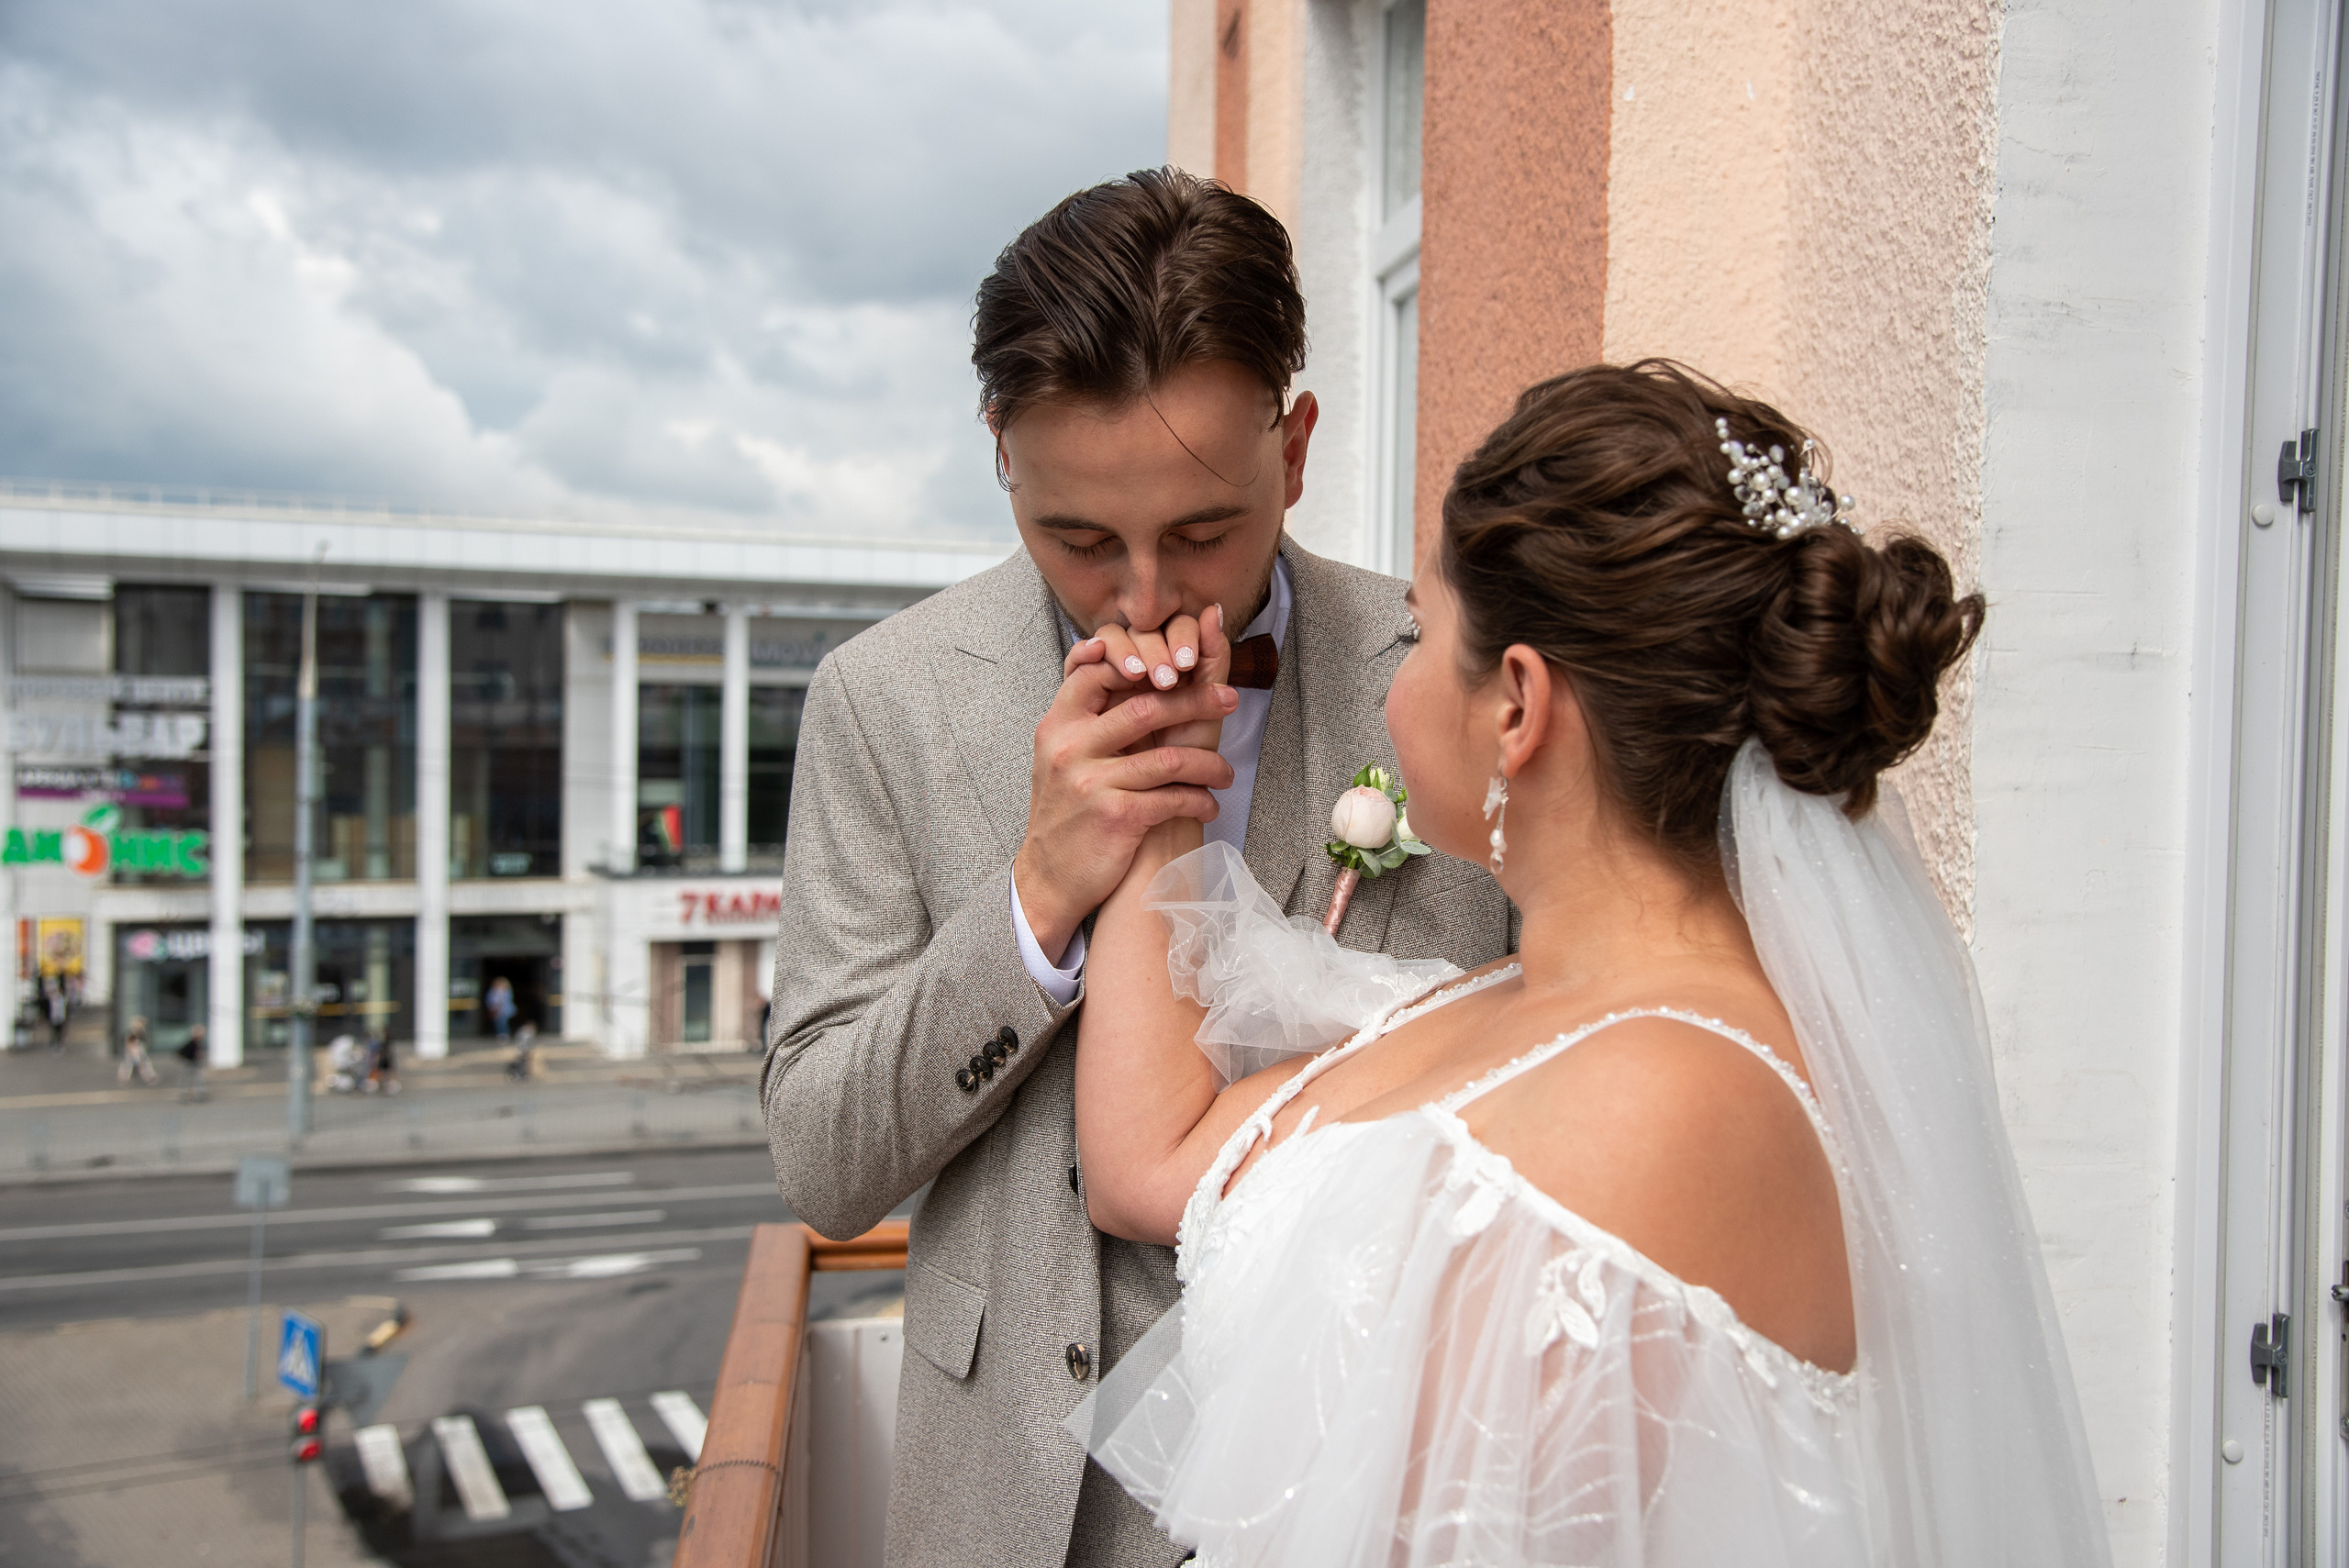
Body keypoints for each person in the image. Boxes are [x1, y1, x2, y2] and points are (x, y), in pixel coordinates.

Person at [1066, 362, 2111, 1565]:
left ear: (1517, 705)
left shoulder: (1661, 1104)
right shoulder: (1516, 1004)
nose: (1395, 686)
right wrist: (1162, 769)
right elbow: (1158, 1164)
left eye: (1423, 629)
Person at [763, 168, 1514, 1568]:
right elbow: (822, 1163)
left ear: (1292, 451)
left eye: (1204, 533)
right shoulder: (887, 699)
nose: (1148, 603)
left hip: (1378, 1485)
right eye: (1080, 540)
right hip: (1018, 1510)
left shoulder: (1456, 682)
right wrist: (1037, 896)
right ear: (1001, 448)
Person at [116, 1015, 158, 1086]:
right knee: (129, 1064)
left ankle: (149, 1077)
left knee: (143, 1064)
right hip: (132, 1051)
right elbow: (129, 1044)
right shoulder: (131, 1033)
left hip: (138, 1051)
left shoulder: (140, 1033)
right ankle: (123, 1078)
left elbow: (142, 1042)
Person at [175, 1022, 208, 1102]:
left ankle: (193, 1092)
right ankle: (190, 1093)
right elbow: (192, 1053)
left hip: (192, 1062)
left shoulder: (195, 1043)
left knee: (194, 1078)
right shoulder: (192, 1043)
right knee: (192, 1078)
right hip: (190, 1062)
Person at [484, 976, 517, 1042]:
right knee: (497, 1022)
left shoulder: (507, 992)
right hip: (495, 1010)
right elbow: (489, 1000)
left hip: (504, 1010)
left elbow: (508, 1001)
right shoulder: (492, 991)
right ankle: (500, 1034)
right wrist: (491, 1007)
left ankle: (504, 1034)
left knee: (503, 1022)